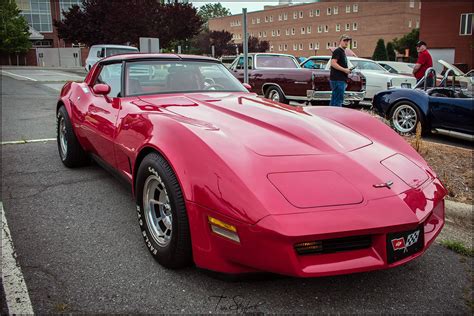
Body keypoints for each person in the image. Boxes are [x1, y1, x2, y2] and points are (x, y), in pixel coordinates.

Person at [329, 35, 352, 106]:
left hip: (340, 79)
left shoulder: (342, 52)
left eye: (347, 41)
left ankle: (330, 115)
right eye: (344, 40)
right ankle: (335, 116)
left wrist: (347, 70)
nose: (346, 42)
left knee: (335, 100)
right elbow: (333, 63)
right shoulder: (338, 51)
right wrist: (344, 70)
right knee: (338, 101)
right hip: (337, 80)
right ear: (340, 41)